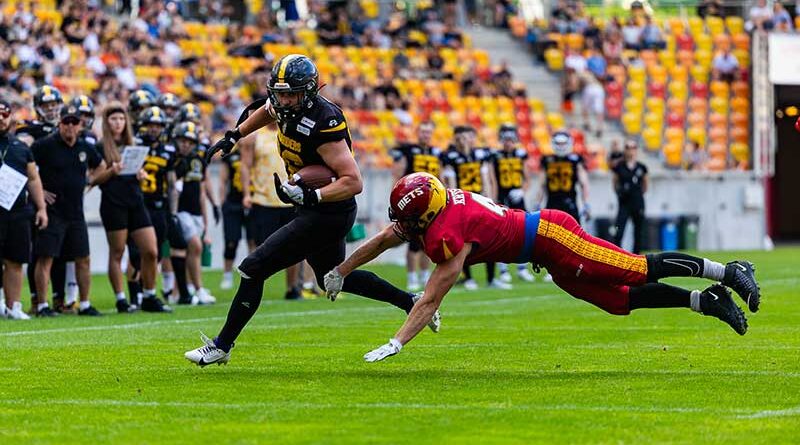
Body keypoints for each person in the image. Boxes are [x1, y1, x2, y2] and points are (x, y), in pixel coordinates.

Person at [323, 173, 760, 362]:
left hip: (552, 235)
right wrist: (342, 270)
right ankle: (706, 301)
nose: (404, 227)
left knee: (631, 269)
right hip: (543, 251)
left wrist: (398, 341)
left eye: (410, 220)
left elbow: (433, 295)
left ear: (427, 213)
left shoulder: (447, 233)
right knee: (616, 301)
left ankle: (728, 270)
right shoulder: (436, 209)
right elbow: (383, 238)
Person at [185, 54, 438, 366]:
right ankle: (411, 301)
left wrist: (313, 196)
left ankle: (221, 345)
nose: (284, 100)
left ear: (308, 93)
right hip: (318, 208)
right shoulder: (284, 104)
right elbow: (267, 111)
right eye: (280, 93)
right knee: (331, 277)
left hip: (328, 212)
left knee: (253, 267)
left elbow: (353, 181)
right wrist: (235, 135)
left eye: (291, 94)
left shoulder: (323, 120)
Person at [31, 104, 107, 316]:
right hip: (53, 212)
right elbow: (26, 167)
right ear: (59, 123)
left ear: (80, 125)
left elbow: (101, 166)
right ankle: (43, 305)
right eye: (67, 122)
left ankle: (84, 304)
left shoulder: (84, 147)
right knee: (46, 258)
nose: (71, 126)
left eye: (75, 122)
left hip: (76, 213)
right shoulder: (44, 146)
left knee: (83, 259)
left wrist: (90, 180)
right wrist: (40, 192)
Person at [94, 102, 161, 313]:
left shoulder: (134, 145)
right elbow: (93, 179)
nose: (118, 123)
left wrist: (140, 174)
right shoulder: (99, 147)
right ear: (107, 122)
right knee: (118, 252)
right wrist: (111, 170)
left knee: (150, 250)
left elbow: (137, 171)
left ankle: (149, 294)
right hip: (113, 203)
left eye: (121, 119)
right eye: (114, 119)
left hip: (135, 201)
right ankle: (121, 298)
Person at [237, 123, 302, 300]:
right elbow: (245, 165)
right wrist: (246, 194)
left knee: (294, 247)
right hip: (263, 199)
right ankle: (254, 286)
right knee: (260, 248)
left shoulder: (293, 133)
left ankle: (292, 288)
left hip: (290, 200)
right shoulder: (255, 136)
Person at [440, 125, 504, 290]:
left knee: (490, 239)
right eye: (461, 137)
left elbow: (488, 179)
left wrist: (491, 200)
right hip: (462, 201)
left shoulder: (481, 154)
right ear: (455, 139)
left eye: (467, 136)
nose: (464, 140)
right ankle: (468, 277)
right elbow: (447, 181)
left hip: (480, 199)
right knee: (463, 243)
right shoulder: (449, 157)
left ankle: (491, 278)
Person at [0, 99, 47, 319]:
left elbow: (33, 178)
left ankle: (14, 306)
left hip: (17, 211)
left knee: (16, 260)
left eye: (4, 114)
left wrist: (41, 208)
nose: (1, 118)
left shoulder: (20, 147)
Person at [130, 105, 175, 312]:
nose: (154, 129)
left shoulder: (167, 150)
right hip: (138, 204)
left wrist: (172, 210)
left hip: (158, 205)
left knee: (154, 253)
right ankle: (135, 296)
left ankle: (147, 293)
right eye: (151, 125)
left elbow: (171, 183)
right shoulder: (135, 145)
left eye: (158, 125)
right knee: (134, 253)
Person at [389, 121, 441, 291]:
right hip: (412, 200)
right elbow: (398, 174)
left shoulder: (436, 152)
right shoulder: (409, 151)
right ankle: (412, 277)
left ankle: (425, 275)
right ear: (418, 133)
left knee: (427, 240)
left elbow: (440, 176)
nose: (426, 135)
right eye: (423, 132)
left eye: (428, 132)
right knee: (412, 241)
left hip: (431, 200)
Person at [170, 121, 216, 305]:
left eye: (189, 141)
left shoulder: (198, 159)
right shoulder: (174, 160)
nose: (186, 144)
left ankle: (181, 289)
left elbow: (201, 191)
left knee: (192, 249)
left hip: (195, 211)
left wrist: (206, 220)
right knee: (194, 246)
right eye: (183, 141)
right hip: (180, 210)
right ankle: (198, 288)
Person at [490, 124, 535, 284]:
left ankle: (522, 269)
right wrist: (494, 200)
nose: (508, 143)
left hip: (518, 198)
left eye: (511, 139)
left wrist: (522, 190)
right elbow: (493, 180)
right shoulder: (495, 156)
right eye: (506, 139)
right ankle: (503, 271)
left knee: (523, 233)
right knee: (502, 235)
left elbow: (527, 178)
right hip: (502, 197)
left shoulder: (520, 155)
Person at [218, 131, 254, 291]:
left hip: (254, 201)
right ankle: (227, 275)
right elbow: (222, 179)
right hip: (233, 202)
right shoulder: (231, 156)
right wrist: (221, 201)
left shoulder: (257, 155)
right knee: (231, 241)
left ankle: (253, 273)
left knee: (253, 241)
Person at [536, 131, 590, 224]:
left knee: (574, 235)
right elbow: (541, 184)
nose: (561, 146)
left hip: (570, 202)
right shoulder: (547, 160)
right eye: (558, 143)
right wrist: (537, 203)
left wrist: (586, 203)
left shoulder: (576, 160)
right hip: (551, 203)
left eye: (563, 143)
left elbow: (584, 183)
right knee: (548, 236)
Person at [612, 140, 648, 255]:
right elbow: (615, 182)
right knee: (619, 230)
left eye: (633, 147)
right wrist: (620, 193)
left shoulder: (642, 167)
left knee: (638, 232)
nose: (630, 150)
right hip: (624, 203)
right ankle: (618, 256)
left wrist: (637, 194)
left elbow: (645, 184)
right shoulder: (619, 166)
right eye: (628, 147)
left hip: (637, 202)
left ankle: (636, 256)